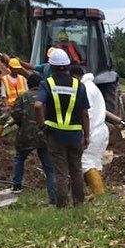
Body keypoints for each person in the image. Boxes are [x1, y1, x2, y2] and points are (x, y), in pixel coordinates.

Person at [35, 48, 90, 207]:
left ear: (50, 67)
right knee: (76, 170)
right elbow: (85, 113)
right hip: (75, 135)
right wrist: (87, 135)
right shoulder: (78, 85)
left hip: (55, 135)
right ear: (67, 66)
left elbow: (38, 105)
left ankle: (62, 205)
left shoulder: (47, 84)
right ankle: (79, 203)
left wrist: (42, 126)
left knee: (60, 171)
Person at [0, 84, 57, 204]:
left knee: (19, 158)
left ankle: (17, 186)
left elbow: (16, 114)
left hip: (26, 135)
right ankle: (53, 199)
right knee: (49, 169)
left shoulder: (24, 96)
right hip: (44, 135)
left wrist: (9, 123)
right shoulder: (48, 96)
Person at [76, 65, 108, 197]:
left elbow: (87, 113)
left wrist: (85, 134)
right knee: (95, 161)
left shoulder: (86, 89)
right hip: (101, 130)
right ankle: (96, 192)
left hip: (94, 130)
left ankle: (98, 192)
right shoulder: (92, 86)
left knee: (85, 161)